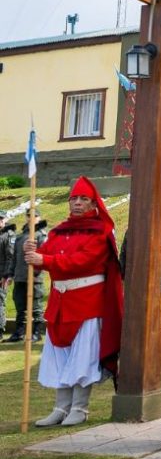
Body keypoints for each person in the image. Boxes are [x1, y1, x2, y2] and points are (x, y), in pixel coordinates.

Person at [24, 177, 123, 427]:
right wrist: (31, 252)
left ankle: (80, 408)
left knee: (83, 357)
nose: (77, 203)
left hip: (87, 303)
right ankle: (60, 408)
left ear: (93, 204)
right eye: (74, 198)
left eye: (84, 199)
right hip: (59, 303)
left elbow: (83, 261)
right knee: (60, 355)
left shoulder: (101, 232)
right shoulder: (58, 231)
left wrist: (44, 260)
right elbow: (43, 256)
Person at [5, 211, 48, 342]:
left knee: (36, 307)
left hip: (34, 278)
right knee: (20, 307)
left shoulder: (41, 235)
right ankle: (19, 332)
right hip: (19, 277)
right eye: (29, 216)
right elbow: (14, 258)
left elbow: (44, 256)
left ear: (39, 218)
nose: (31, 218)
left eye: (34, 216)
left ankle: (36, 332)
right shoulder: (20, 236)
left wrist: (35, 273)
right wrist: (10, 274)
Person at [0, 211, 16, 337]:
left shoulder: (9, 235)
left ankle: (0, 329)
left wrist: (6, 276)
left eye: (1, 219)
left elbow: (10, 257)